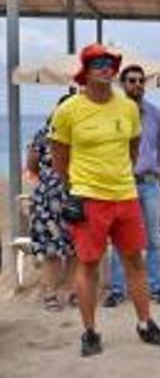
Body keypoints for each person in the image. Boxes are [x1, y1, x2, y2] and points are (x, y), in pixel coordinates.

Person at [51, 43, 160, 357]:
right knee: (90, 264)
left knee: (135, 260)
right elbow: (59, 160)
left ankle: (145, 323)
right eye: (98, 63)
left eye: (110, 62)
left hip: (126, 196)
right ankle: (90, 332)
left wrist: (120, 179)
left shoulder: (128, 108)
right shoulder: (68, 111)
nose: (106, 67)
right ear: (86, 70)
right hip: (89, 199)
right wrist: (74, 192)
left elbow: (132, 150)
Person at [105, 65, 160, 307]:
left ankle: (156, 287)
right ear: (122, 84)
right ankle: (117, 290)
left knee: (153, 239)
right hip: (122, 185)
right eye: (132, 81)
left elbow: (159, 146)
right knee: (120, 239)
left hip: (149, 184)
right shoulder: (113, 114)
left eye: (141, 81)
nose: (138, 85)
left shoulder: (158, 116)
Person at [27, 93, 76, 312]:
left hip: (76, 198)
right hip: (47, 200)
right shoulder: (43, 135)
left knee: (76, 249)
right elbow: (32, 164)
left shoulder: (80, 135)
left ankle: (73, 291)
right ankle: (51, 294)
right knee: (51, 250)